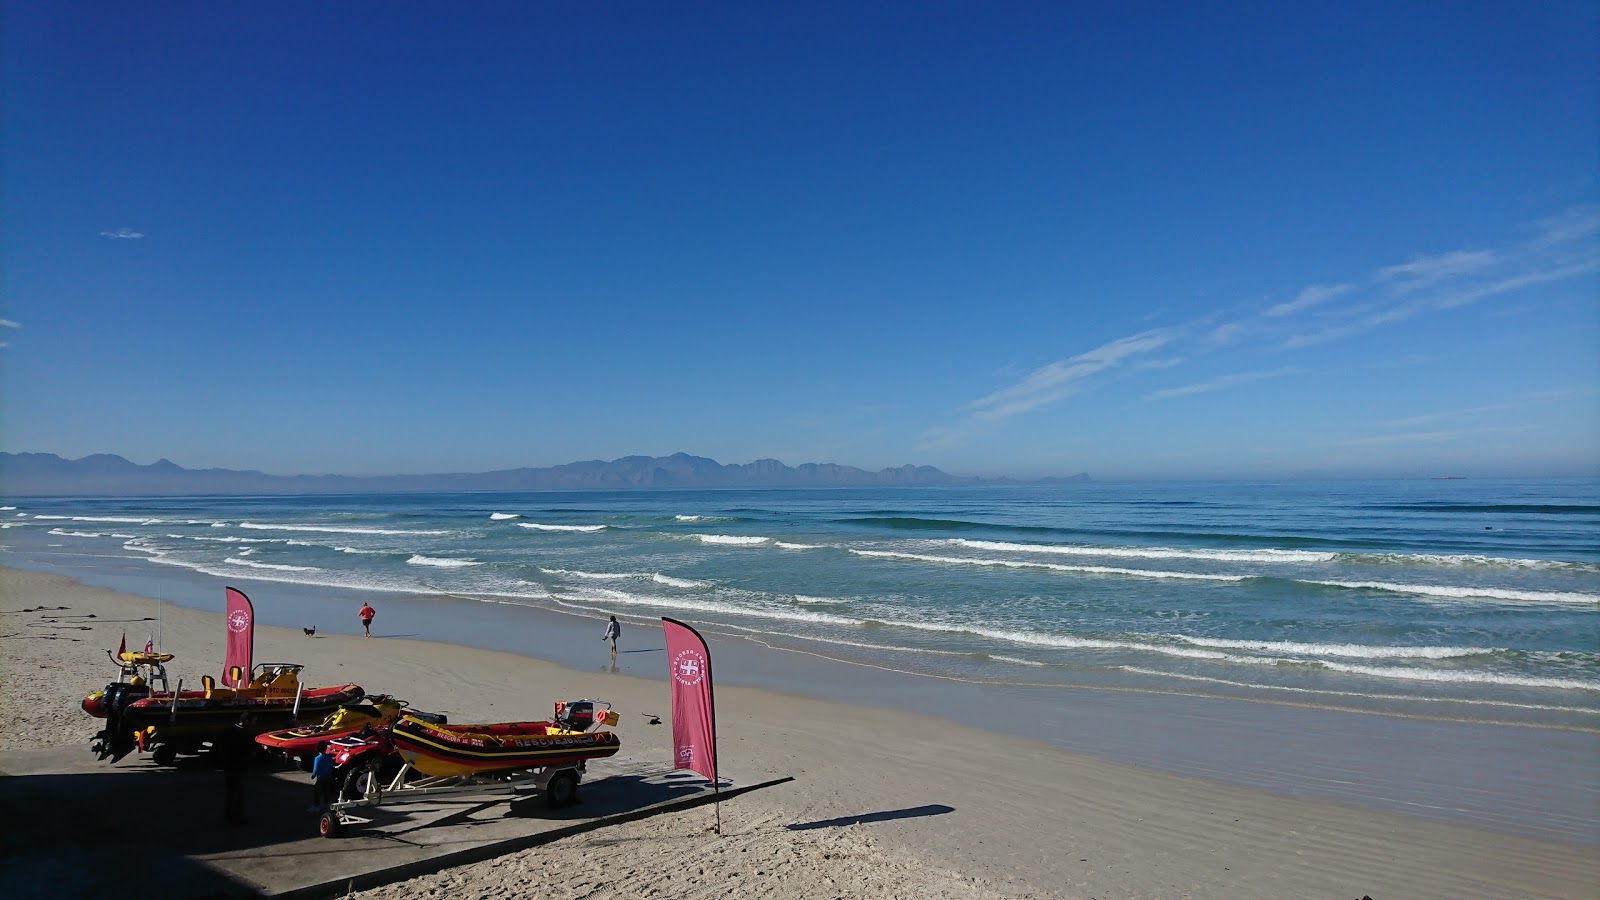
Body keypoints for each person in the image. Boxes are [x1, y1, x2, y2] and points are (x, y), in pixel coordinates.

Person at [218, 714, 255, 825]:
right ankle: (237, 817)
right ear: (247, 721)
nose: (255, 723)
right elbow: (250, 752)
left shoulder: (228, 731)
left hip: (228, 765)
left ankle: (229, 815)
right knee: (238, 792)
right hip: (239, 766)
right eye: (254, 721)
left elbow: (221, 747)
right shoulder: (246, 734)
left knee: (230, 792)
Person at [309, 746, 336, 812]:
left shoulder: (317, 758)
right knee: (326, 790)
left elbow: (315, 769)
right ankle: (327, 804)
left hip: (321, 777)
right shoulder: (329, 757)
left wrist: (313, 776)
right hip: (328, 776)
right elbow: (332, 765)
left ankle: (316, 806)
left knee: (317, 791)